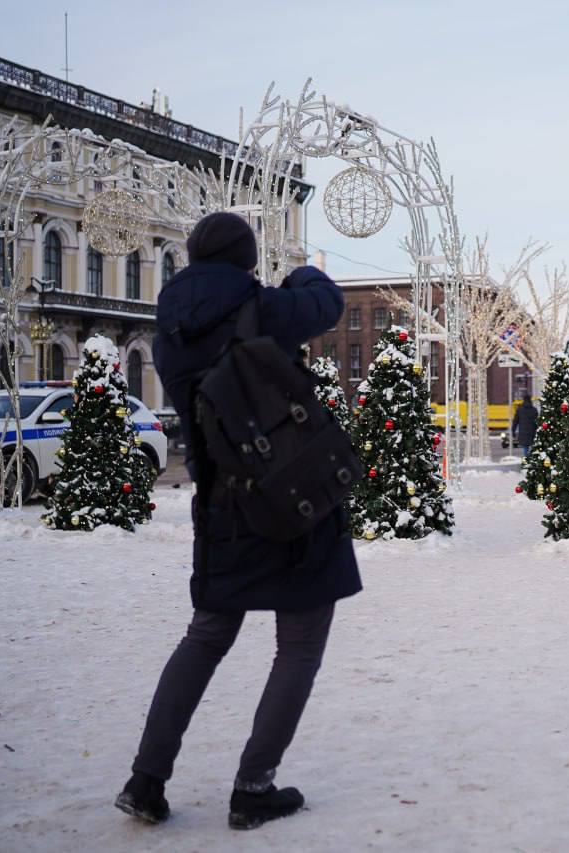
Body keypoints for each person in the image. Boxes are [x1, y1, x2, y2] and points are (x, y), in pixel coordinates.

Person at [115, 212, 361, 830]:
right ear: (247, 261)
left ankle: (146, 780)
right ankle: (254, 784)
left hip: (222, 502)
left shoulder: (167, 326)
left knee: (206, 635)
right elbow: (325, 303)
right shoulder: (264, 307)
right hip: (291, 494)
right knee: (300, 641)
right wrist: (301, 271)